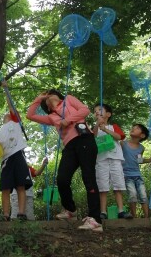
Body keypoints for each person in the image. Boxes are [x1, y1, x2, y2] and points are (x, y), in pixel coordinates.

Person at [26, 89, 102, 232]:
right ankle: (71, 210)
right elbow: (30, 115)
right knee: (62, 179)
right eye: (47, 96)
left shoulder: (68, 99)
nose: (50, 96)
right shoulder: (51, 117)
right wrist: (38, 98)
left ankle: (95, 220)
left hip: (84, 139)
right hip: (69, 146)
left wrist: (68, 120)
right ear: (47, 105)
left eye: (52, 93)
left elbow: (84, 110)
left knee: (89, 178)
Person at [92, 103, 132, 220]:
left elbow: (119, 137)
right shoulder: (95, 128)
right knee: (102, 186)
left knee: (118, 184)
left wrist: (105, 129)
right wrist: (97, 125)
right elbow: (92, 137)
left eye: (100, 110)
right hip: (101, 160)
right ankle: (103, 212)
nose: (97, 112)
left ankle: (121, 210)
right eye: (95, 111)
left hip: (115, 159)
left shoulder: (113, 126)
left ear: (108, 114)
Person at [0, 110, 32, 221]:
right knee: (5, 188)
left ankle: (21, 213)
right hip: (6, 160)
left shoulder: (16, 123)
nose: (7, 114)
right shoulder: (0, 131)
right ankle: (6, 215)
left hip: (18, 155)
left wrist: (6, 94)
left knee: (21, 186)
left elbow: (11, 108)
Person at [121, 123, 151, 218]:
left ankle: (147, 218)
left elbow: (139, 160)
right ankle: (134, 216)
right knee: (132, 194)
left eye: (137, 128)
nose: (133, 128)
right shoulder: (123, 143)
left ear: (142, 135)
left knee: (143, 195)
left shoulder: (141, 148)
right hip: (126, 175)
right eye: (133, 127)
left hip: (137, 174)